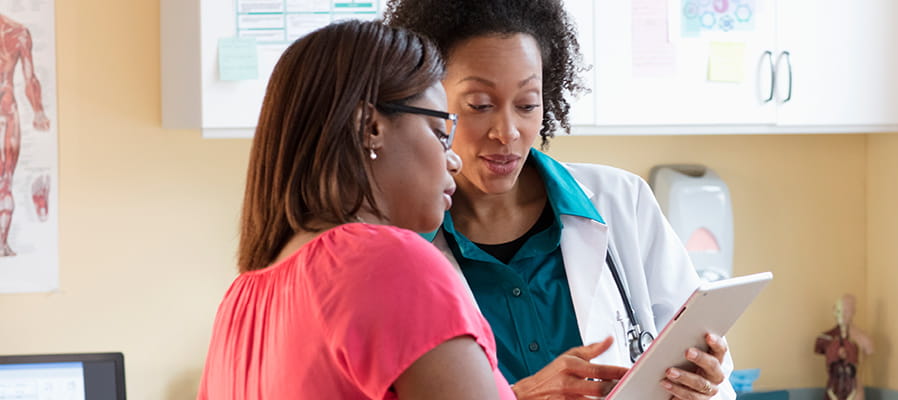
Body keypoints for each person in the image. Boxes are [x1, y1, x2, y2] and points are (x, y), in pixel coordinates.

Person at [386, 2, 736, 399]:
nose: (507, 132)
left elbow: (710, 372)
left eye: (526, 104)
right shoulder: (396, 244)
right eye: (480, 105)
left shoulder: (622, 201)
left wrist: (702, 387)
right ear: (429, 102)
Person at [198, 20, 515, 400]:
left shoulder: (239, 303)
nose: (454, 161)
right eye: (439, 132)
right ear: (370, 127)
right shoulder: (393, 263)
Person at [0, 13, 50, 256]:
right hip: (5, 109)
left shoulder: (19, 32)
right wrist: (38, 112)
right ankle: (1, 244)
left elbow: (30, 80)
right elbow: (29, 80)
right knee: (4, 181)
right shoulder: (17, 33)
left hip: (6, 109)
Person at [814, 294, 874, 400]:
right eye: (840, 310)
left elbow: (868, 352)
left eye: (847, 310)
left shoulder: (864, 338)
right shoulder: (827, 338)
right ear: (835, 311)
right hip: (833, 390)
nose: (843, 314)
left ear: (854, 311)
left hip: (855, 391)